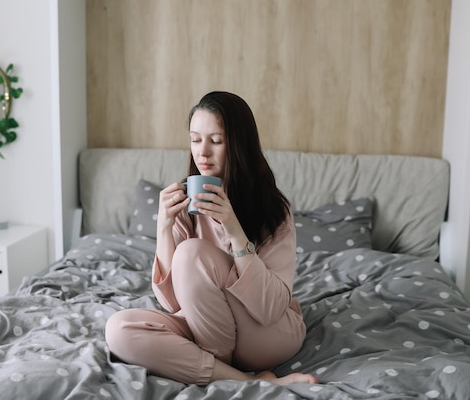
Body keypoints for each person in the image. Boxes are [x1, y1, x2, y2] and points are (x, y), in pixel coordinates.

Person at [105, 91, 317, 386]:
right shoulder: (185, 205)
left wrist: (233, 229)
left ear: (238, 145)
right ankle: (249, 382)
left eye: (215, 141)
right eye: (195, 139)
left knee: (192, 253)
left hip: (264, 334)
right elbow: (172, 302)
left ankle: (216, 368)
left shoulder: (273, 210)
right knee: (118, 329)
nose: (202, 152)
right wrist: (164, 226)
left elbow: (270, 310)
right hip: (208, 325)